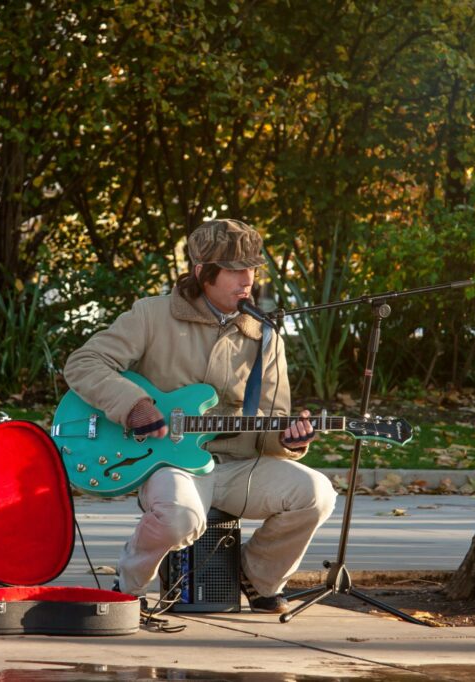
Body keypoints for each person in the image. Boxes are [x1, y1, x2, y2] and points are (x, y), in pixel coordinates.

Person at [62, 219, 337, 614]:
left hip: (240, 466)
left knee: (316, 494)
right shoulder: (152, 315)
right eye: (235, 269)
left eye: (253, 268)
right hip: (169, 462)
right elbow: (84, 362)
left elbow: (273, 419)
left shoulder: (265, 335)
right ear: (202, 273)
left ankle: (258, 578)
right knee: (180, 519)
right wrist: (134, 405)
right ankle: (127, 586)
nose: (248, 279)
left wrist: (291, 439)